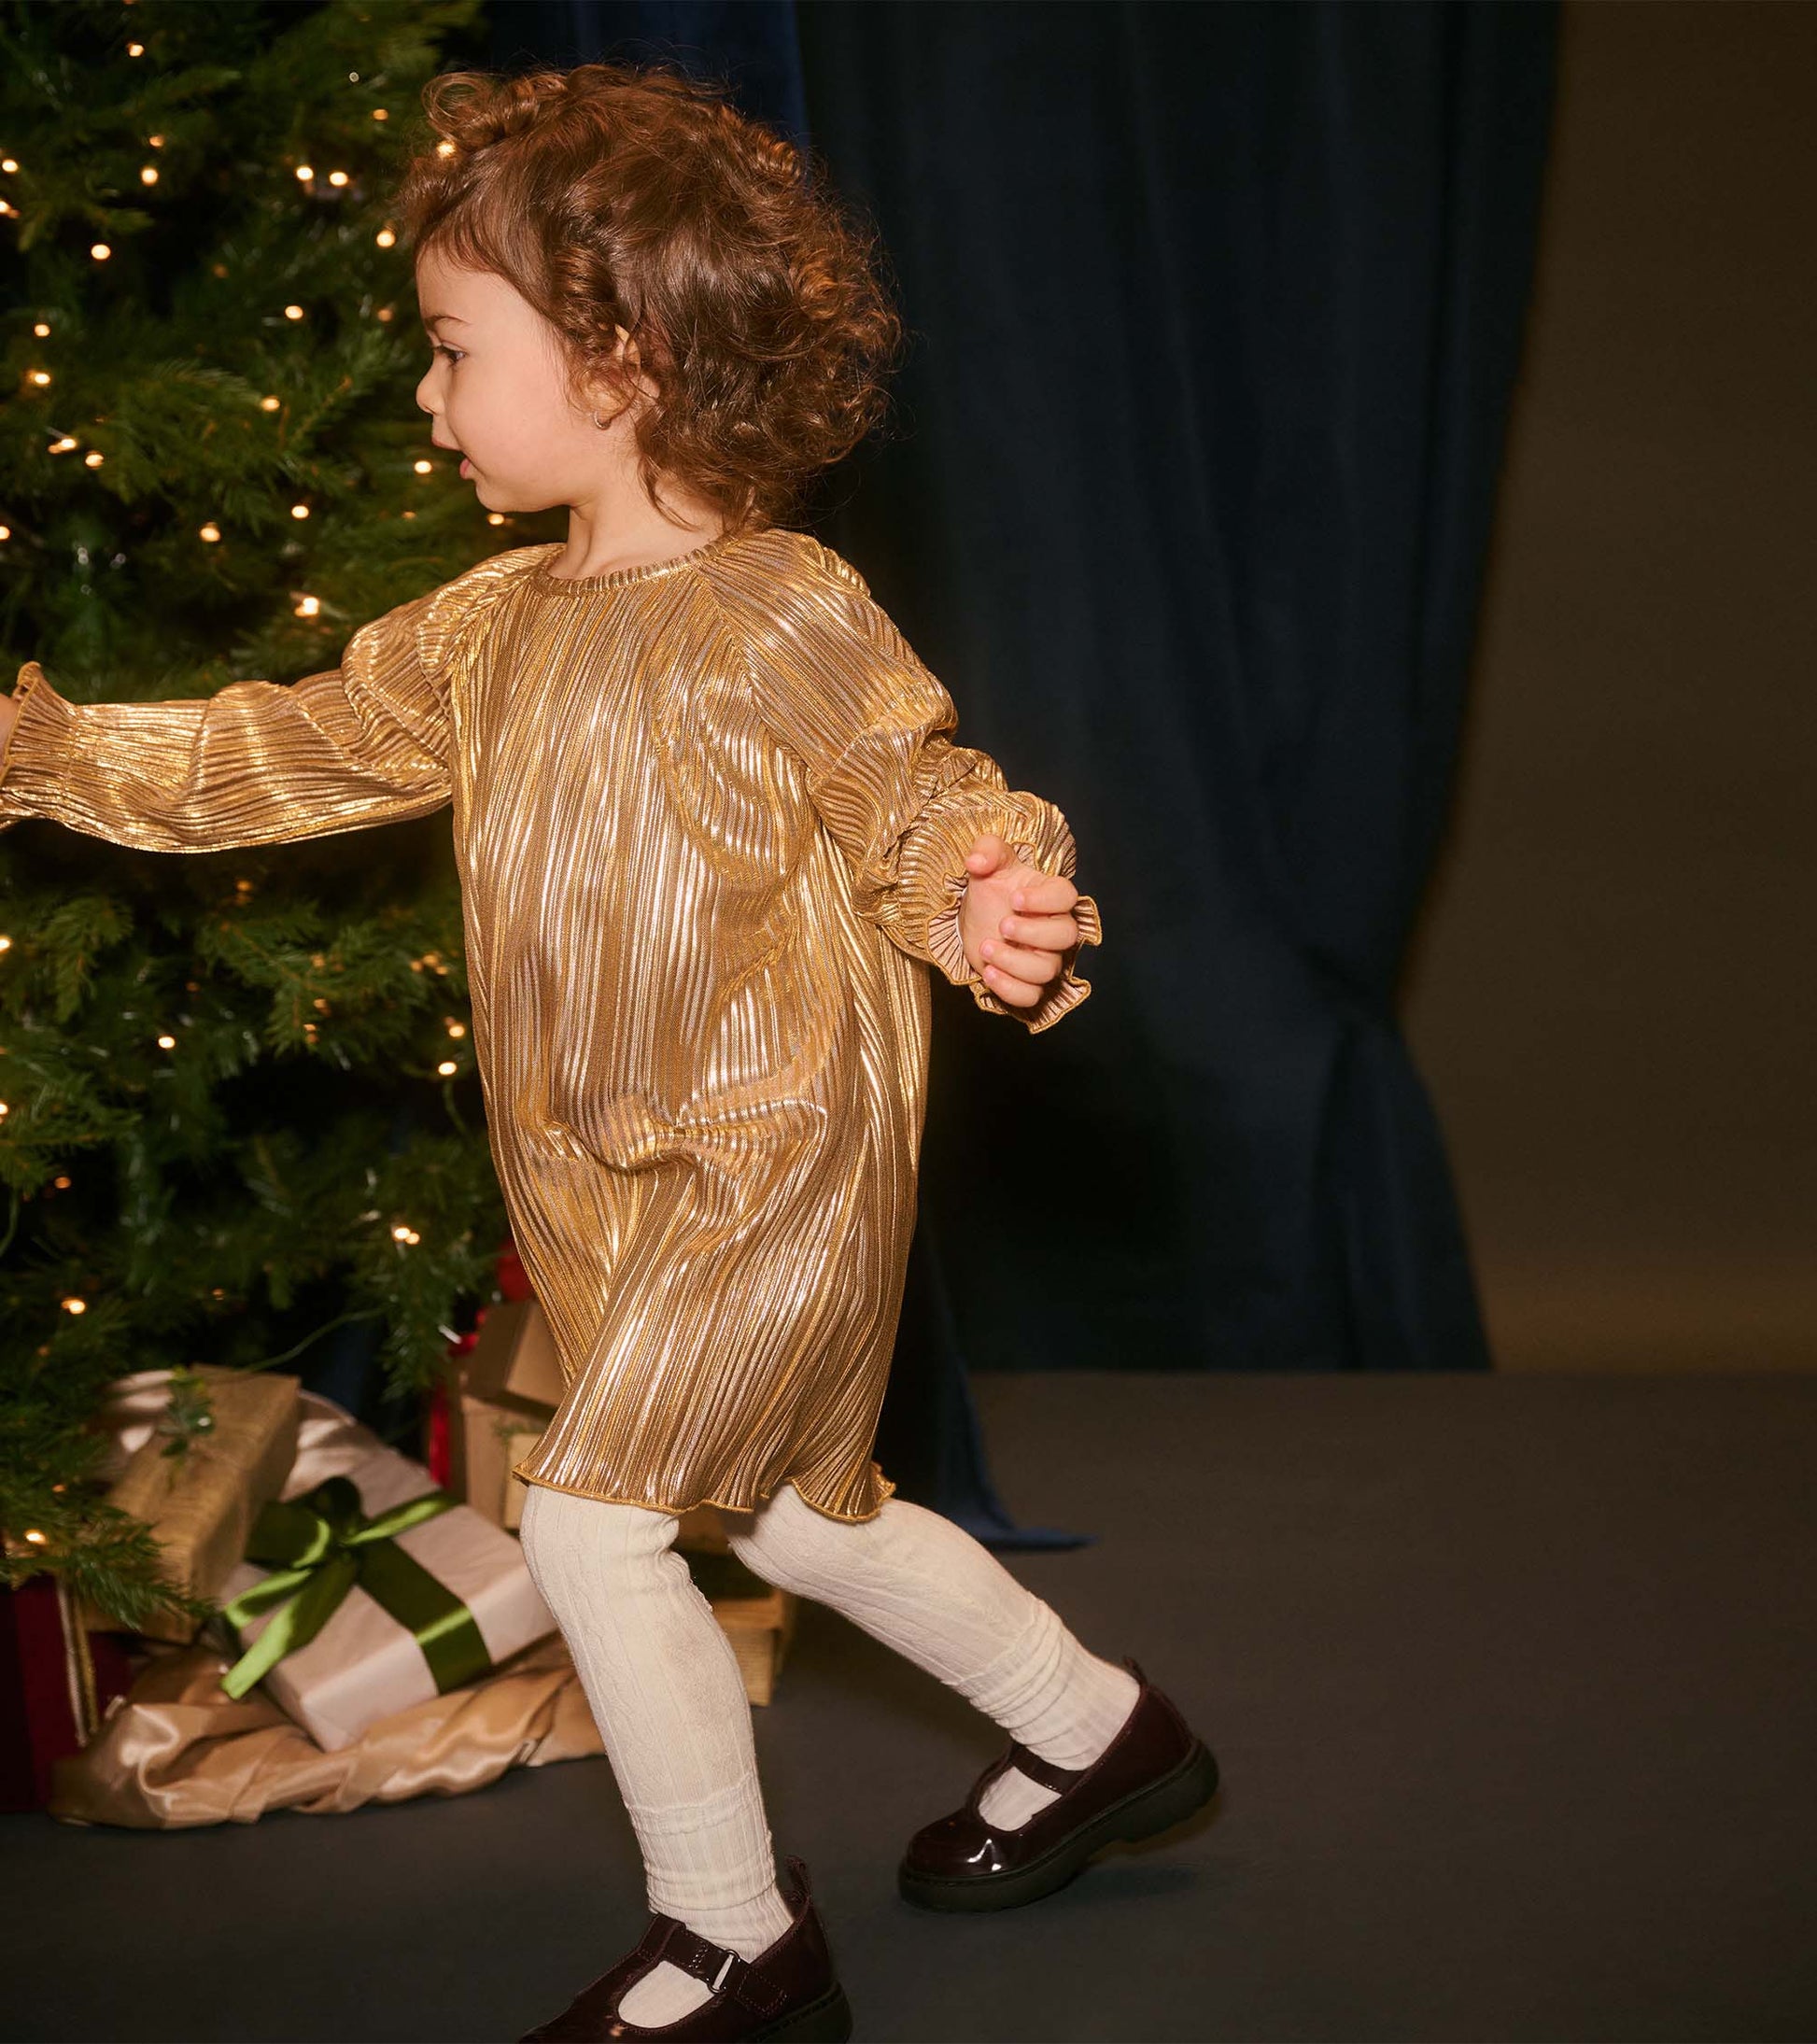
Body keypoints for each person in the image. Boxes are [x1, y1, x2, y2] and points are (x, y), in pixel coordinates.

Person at [0, 62, 1218, 2043]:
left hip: (780, 1159)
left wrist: (987, 892)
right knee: (794, 1521)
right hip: (602, 1177)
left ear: (623, 357)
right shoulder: (488, 633)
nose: (422, 394)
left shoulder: (779, 608)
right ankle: (1103, 1736)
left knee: (589, 1516)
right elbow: (275, 746)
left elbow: (913, 799)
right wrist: (45, 753)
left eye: (450, 349)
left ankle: (736, 1941)